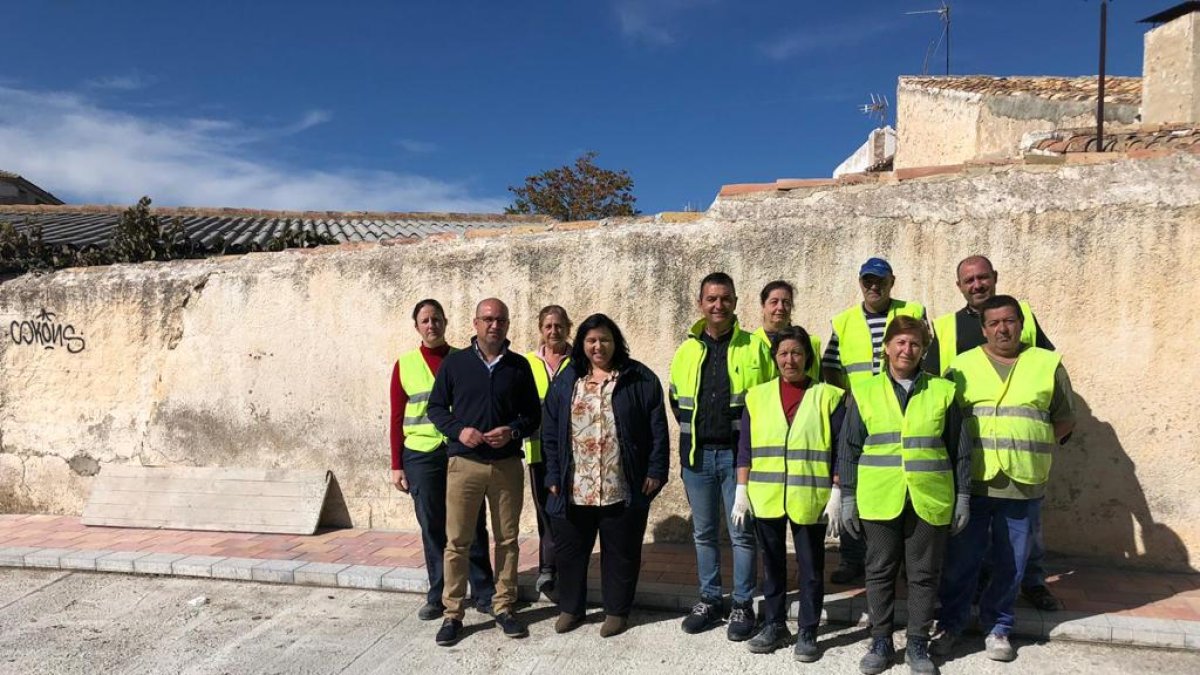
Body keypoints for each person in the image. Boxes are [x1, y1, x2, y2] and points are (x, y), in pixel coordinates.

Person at [933, 295, 1076, 663]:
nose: (1003, 328)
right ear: (983, 329)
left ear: (1021, 324)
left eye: (1009, 321)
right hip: (973, 483)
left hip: (1023, 482)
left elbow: (1064, 419)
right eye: (994, 323)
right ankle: (951, 623)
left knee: (1011, 562)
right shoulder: (961, 367)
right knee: (962, 560)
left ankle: (999, 627)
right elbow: (946, 424)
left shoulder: (1047, 364)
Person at [924, 255, 1060, 613]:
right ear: (959, 287)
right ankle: (971, 594)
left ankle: (1032, 583)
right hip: (973, 455)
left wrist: (1038, 438)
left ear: (994, 278)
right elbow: (936, 387)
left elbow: (1046, 372)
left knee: (1026, 535)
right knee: (969, 535)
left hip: (1020, 457)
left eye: (983, 278)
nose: (977, 285)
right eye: (969, 281)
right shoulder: (947, 327)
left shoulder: (1023, 315)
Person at [840, 316, 972, 675]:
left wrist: (963, 497)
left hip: (929, 498)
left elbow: (959, 449)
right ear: (887, 347)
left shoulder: (943, 392)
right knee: (879, 570)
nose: (906, 349)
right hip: (879, 497)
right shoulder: (865, 391)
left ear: (923, 350)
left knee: (924, 573)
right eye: (899, 342)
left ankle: (917, 643)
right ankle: (880, 640)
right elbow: (849, 447)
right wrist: (847, 496)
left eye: (914, 344)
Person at [541, 313, 670, 638]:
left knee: (621, 553)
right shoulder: (567, 380)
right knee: (570, 554)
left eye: (605, 340)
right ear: (582, 344)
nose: (598, 346)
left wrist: (655, 470)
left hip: (620, 486)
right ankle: (571, 608)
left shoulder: (639, 378)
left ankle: (616, 611)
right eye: (591, 340)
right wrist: (553, 474)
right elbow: (550, 433)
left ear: (616, 342)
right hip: (574, 487)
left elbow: (658, 429)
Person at [427, 298, 542, 646]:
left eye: (501, 320)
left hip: (506, 465)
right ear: (475, 323)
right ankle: (452, 614)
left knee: (507, 540)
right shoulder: (455, 364)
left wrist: (513, 431)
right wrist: (459, 430)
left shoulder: (519, 367)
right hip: (464, 464)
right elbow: (435, 408)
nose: (495, 325)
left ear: (507, 325)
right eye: (488, 319)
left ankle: (505, 607)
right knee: (457, 541)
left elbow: (532, 415)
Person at [669, 272, 773, 641]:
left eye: (725, 298)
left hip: (737, 458)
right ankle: (710, 600)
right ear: (701, 303)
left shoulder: (754, 347)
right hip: (697, 457)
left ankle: (743, 603)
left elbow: (767, 401)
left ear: (734, 302)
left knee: (742, 533)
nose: (718, 305)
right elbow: (676, 399)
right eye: (711, 299)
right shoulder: (687, 349)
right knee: (704, 533)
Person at [732, 326, 845, 660]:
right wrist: (741, 488)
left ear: (807, 357)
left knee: (811, 568)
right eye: (783, 353)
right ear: (775, 358)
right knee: (773, 567)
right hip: (765, 495)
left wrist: (837, 490)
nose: (790, 359)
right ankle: (775, 624)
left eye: (796, 352)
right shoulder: (757, 396)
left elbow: (840, 448)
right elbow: (745, 448)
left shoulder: (828, 396)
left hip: (810, 496)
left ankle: (808, 631)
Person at [822, 257, 928, 586]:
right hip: (861, 413)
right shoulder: (845, 322)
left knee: (904, 480)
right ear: (859, 282)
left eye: (880, 281)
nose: (873, 286)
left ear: (891, 282)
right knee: (854, 479)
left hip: (903, 410)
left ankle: (903, 562)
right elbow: (830, 365)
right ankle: (852, 558)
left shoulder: (912, 312)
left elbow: (927, 356)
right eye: (867, 280)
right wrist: (848, 399)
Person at [388, 299, 495, 621]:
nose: (431, 325)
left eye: (436, 319)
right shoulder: (404, 364)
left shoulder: (465, 360)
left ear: (446, 322)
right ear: (417, 326)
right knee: (433, 526)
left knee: (472, 522)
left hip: (459, 450)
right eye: (425, 320)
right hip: (421, 455)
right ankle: (440, 595)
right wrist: (396, 464)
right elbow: (396, 417)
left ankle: (484, 590)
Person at [523, 305, 573, 599]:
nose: (554, 331)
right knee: (545, 510)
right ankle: (547, 568)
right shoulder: (527, 363)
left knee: (569, 512)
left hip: (574, 452)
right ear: (540, 329)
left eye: (559, 326)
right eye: (548, 326)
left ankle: (567, 566)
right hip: (538, 450)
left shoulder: (579, 361)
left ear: (568, 326)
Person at [750, 280, 822, 383]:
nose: (780, 307)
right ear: (763, 306)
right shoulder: (751, 344)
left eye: (786, 302)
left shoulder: (811, 343)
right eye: (774, 302)